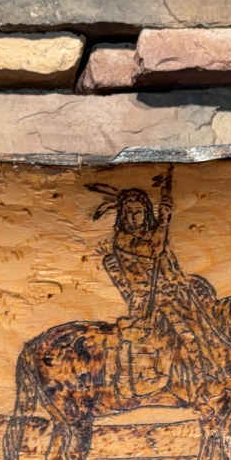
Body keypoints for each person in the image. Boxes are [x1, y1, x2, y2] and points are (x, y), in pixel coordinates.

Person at [87, 169, 217, 395]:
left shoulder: (154, 235)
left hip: (170, 296)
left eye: (138, 212)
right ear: (122, 215)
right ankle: (197, 380)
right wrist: (164, 220)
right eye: (128, 212)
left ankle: (208, 372)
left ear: (146, 212)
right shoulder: (123, 240)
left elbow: (171, 269)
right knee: (183, 333)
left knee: (205, 324)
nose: (133, 217)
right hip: (147, 303)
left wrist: (184, 284)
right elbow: (153, 250)